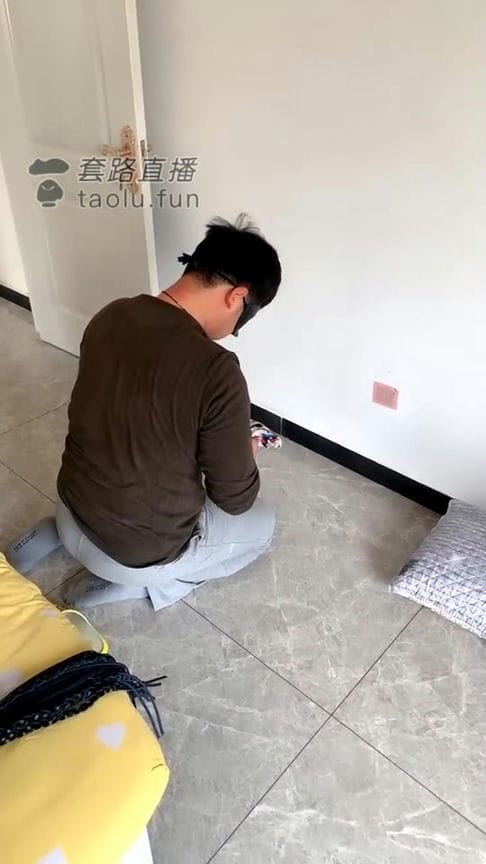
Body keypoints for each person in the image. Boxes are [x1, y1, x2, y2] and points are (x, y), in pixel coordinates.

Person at [52, 214, 281, 610]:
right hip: (133, 553)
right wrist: (248, 452)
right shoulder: (216, 370)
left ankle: (52, 538)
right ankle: (146, 586)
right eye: (245, 318)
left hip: (69, 509)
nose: (235, 328)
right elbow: (234, 499)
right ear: (237, 297)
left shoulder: (112, 314)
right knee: (261, 525)